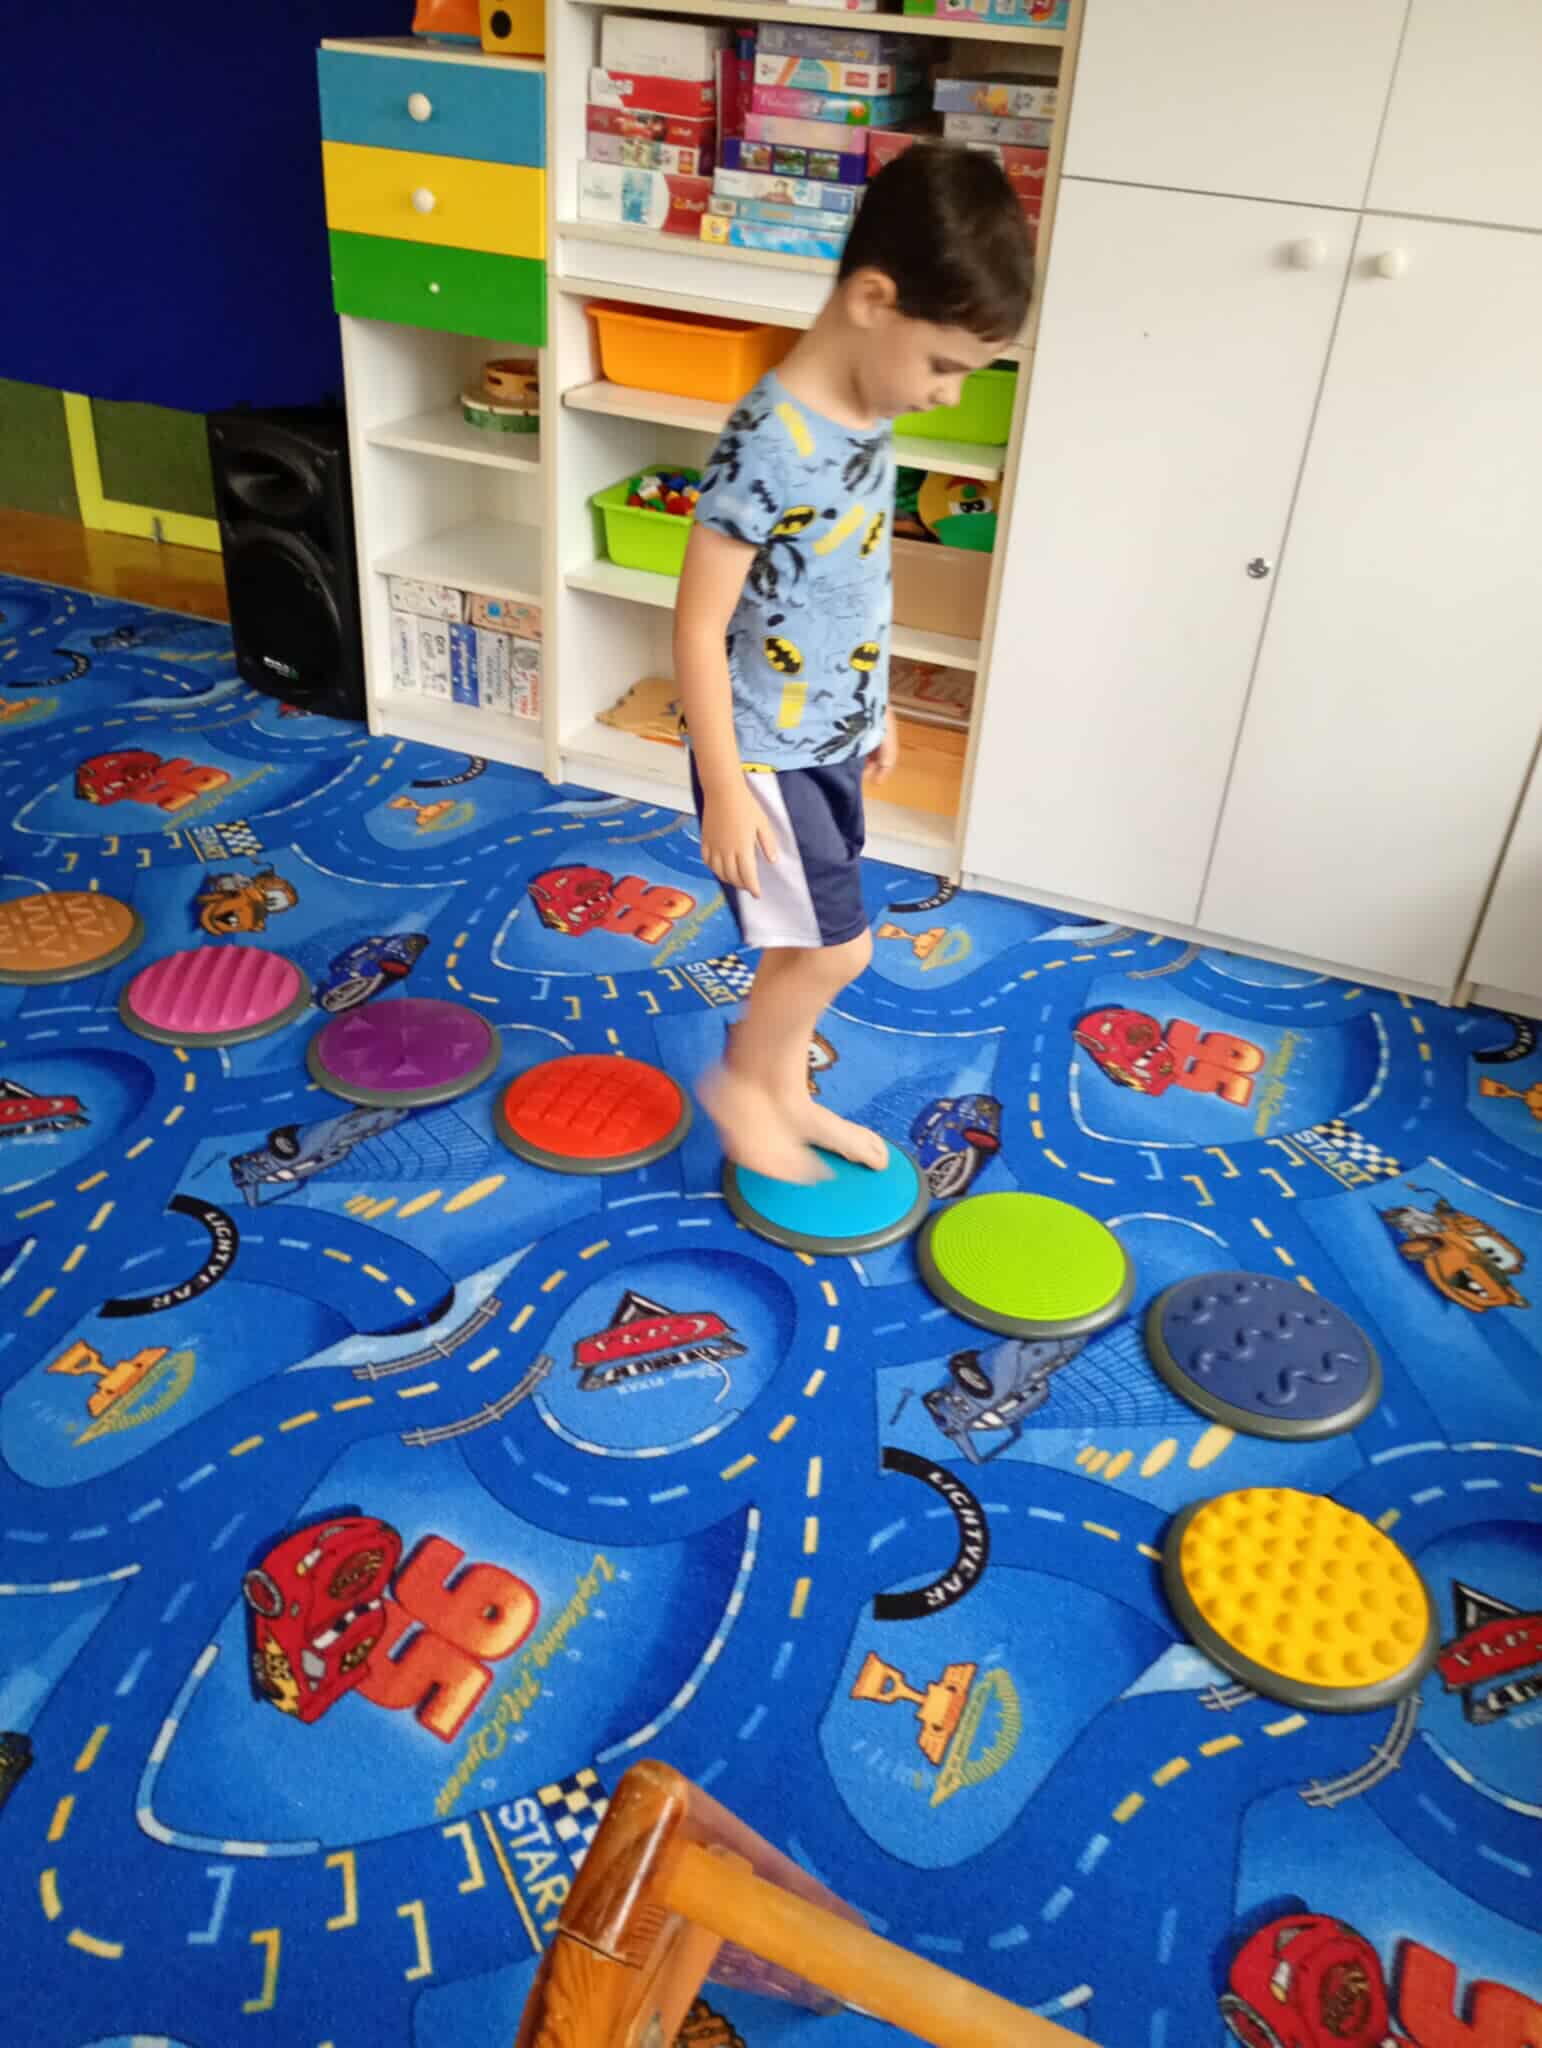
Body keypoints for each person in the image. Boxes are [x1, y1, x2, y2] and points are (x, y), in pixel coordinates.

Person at [674, 144, 1034, 1183]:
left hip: (826, 732)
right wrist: (726, 786)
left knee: (808, 937)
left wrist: (876, 705)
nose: (949, 394)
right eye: (945, 365)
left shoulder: (867, 417)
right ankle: (744, 1084)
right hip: (763, 749)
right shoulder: (767, 440)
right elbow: (696, 625)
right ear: (874, 301)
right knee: (840, 947)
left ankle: (786, 1089)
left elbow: (852, 582)